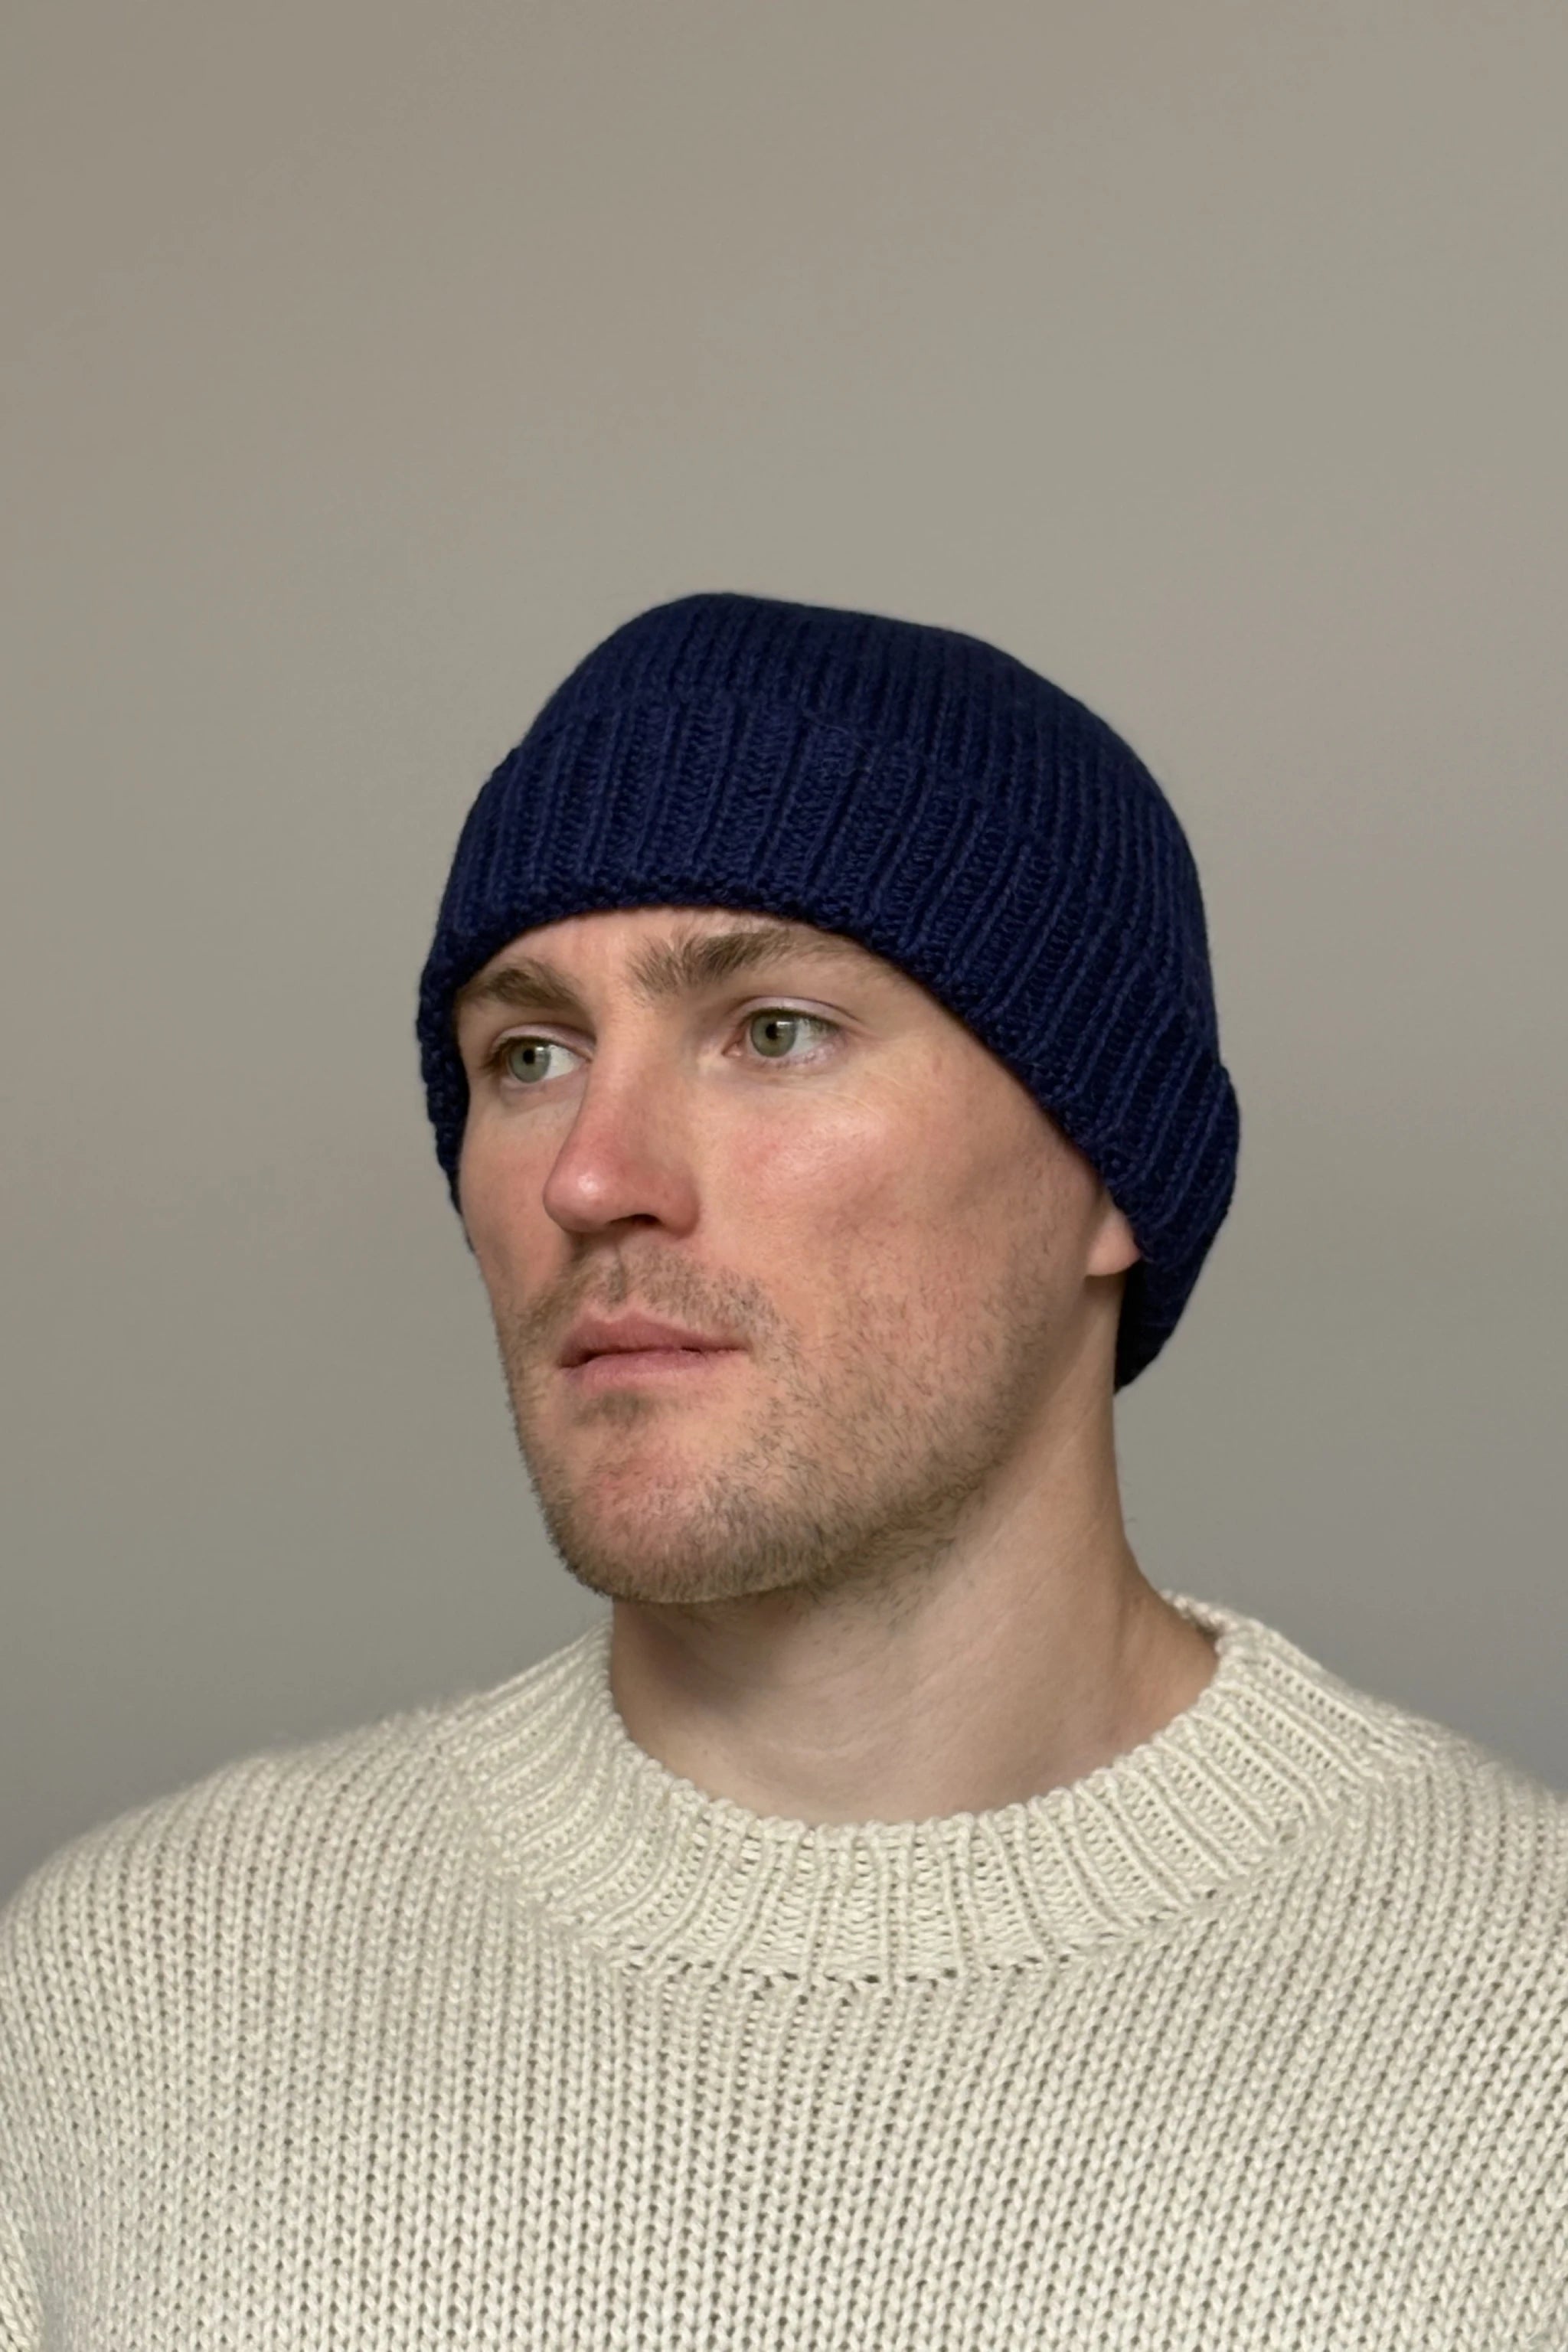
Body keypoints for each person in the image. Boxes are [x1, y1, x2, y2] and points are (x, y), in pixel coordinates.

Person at [2, 593, 1563, 2350]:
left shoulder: (1522, 2034)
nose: (593, 1176)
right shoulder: (139, 1998)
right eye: (529, 1056)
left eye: (772, 1032)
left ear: (1113, 1172)